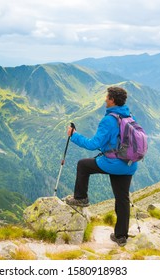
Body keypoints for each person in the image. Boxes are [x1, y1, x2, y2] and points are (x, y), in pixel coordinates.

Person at [64, 86, 138, 247]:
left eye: (107, 97)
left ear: (112, 100)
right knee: (122, 198)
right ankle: (121, 236)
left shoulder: (109, 120)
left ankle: (81, 198)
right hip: (129, 163)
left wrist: (74, 135)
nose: (105, 99)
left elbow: (93, 144)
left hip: (114, 163)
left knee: (83, 165)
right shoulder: (129, 116)